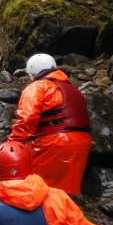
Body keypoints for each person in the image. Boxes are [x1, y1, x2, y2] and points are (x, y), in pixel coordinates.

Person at [8, 53, 92, 195]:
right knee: (66, 195)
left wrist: (14, 143)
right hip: (83, 143)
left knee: (41, 191)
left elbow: (27, 117)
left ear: (33, 72)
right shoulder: (73, 89)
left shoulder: (37, 86)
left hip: (54, 143)